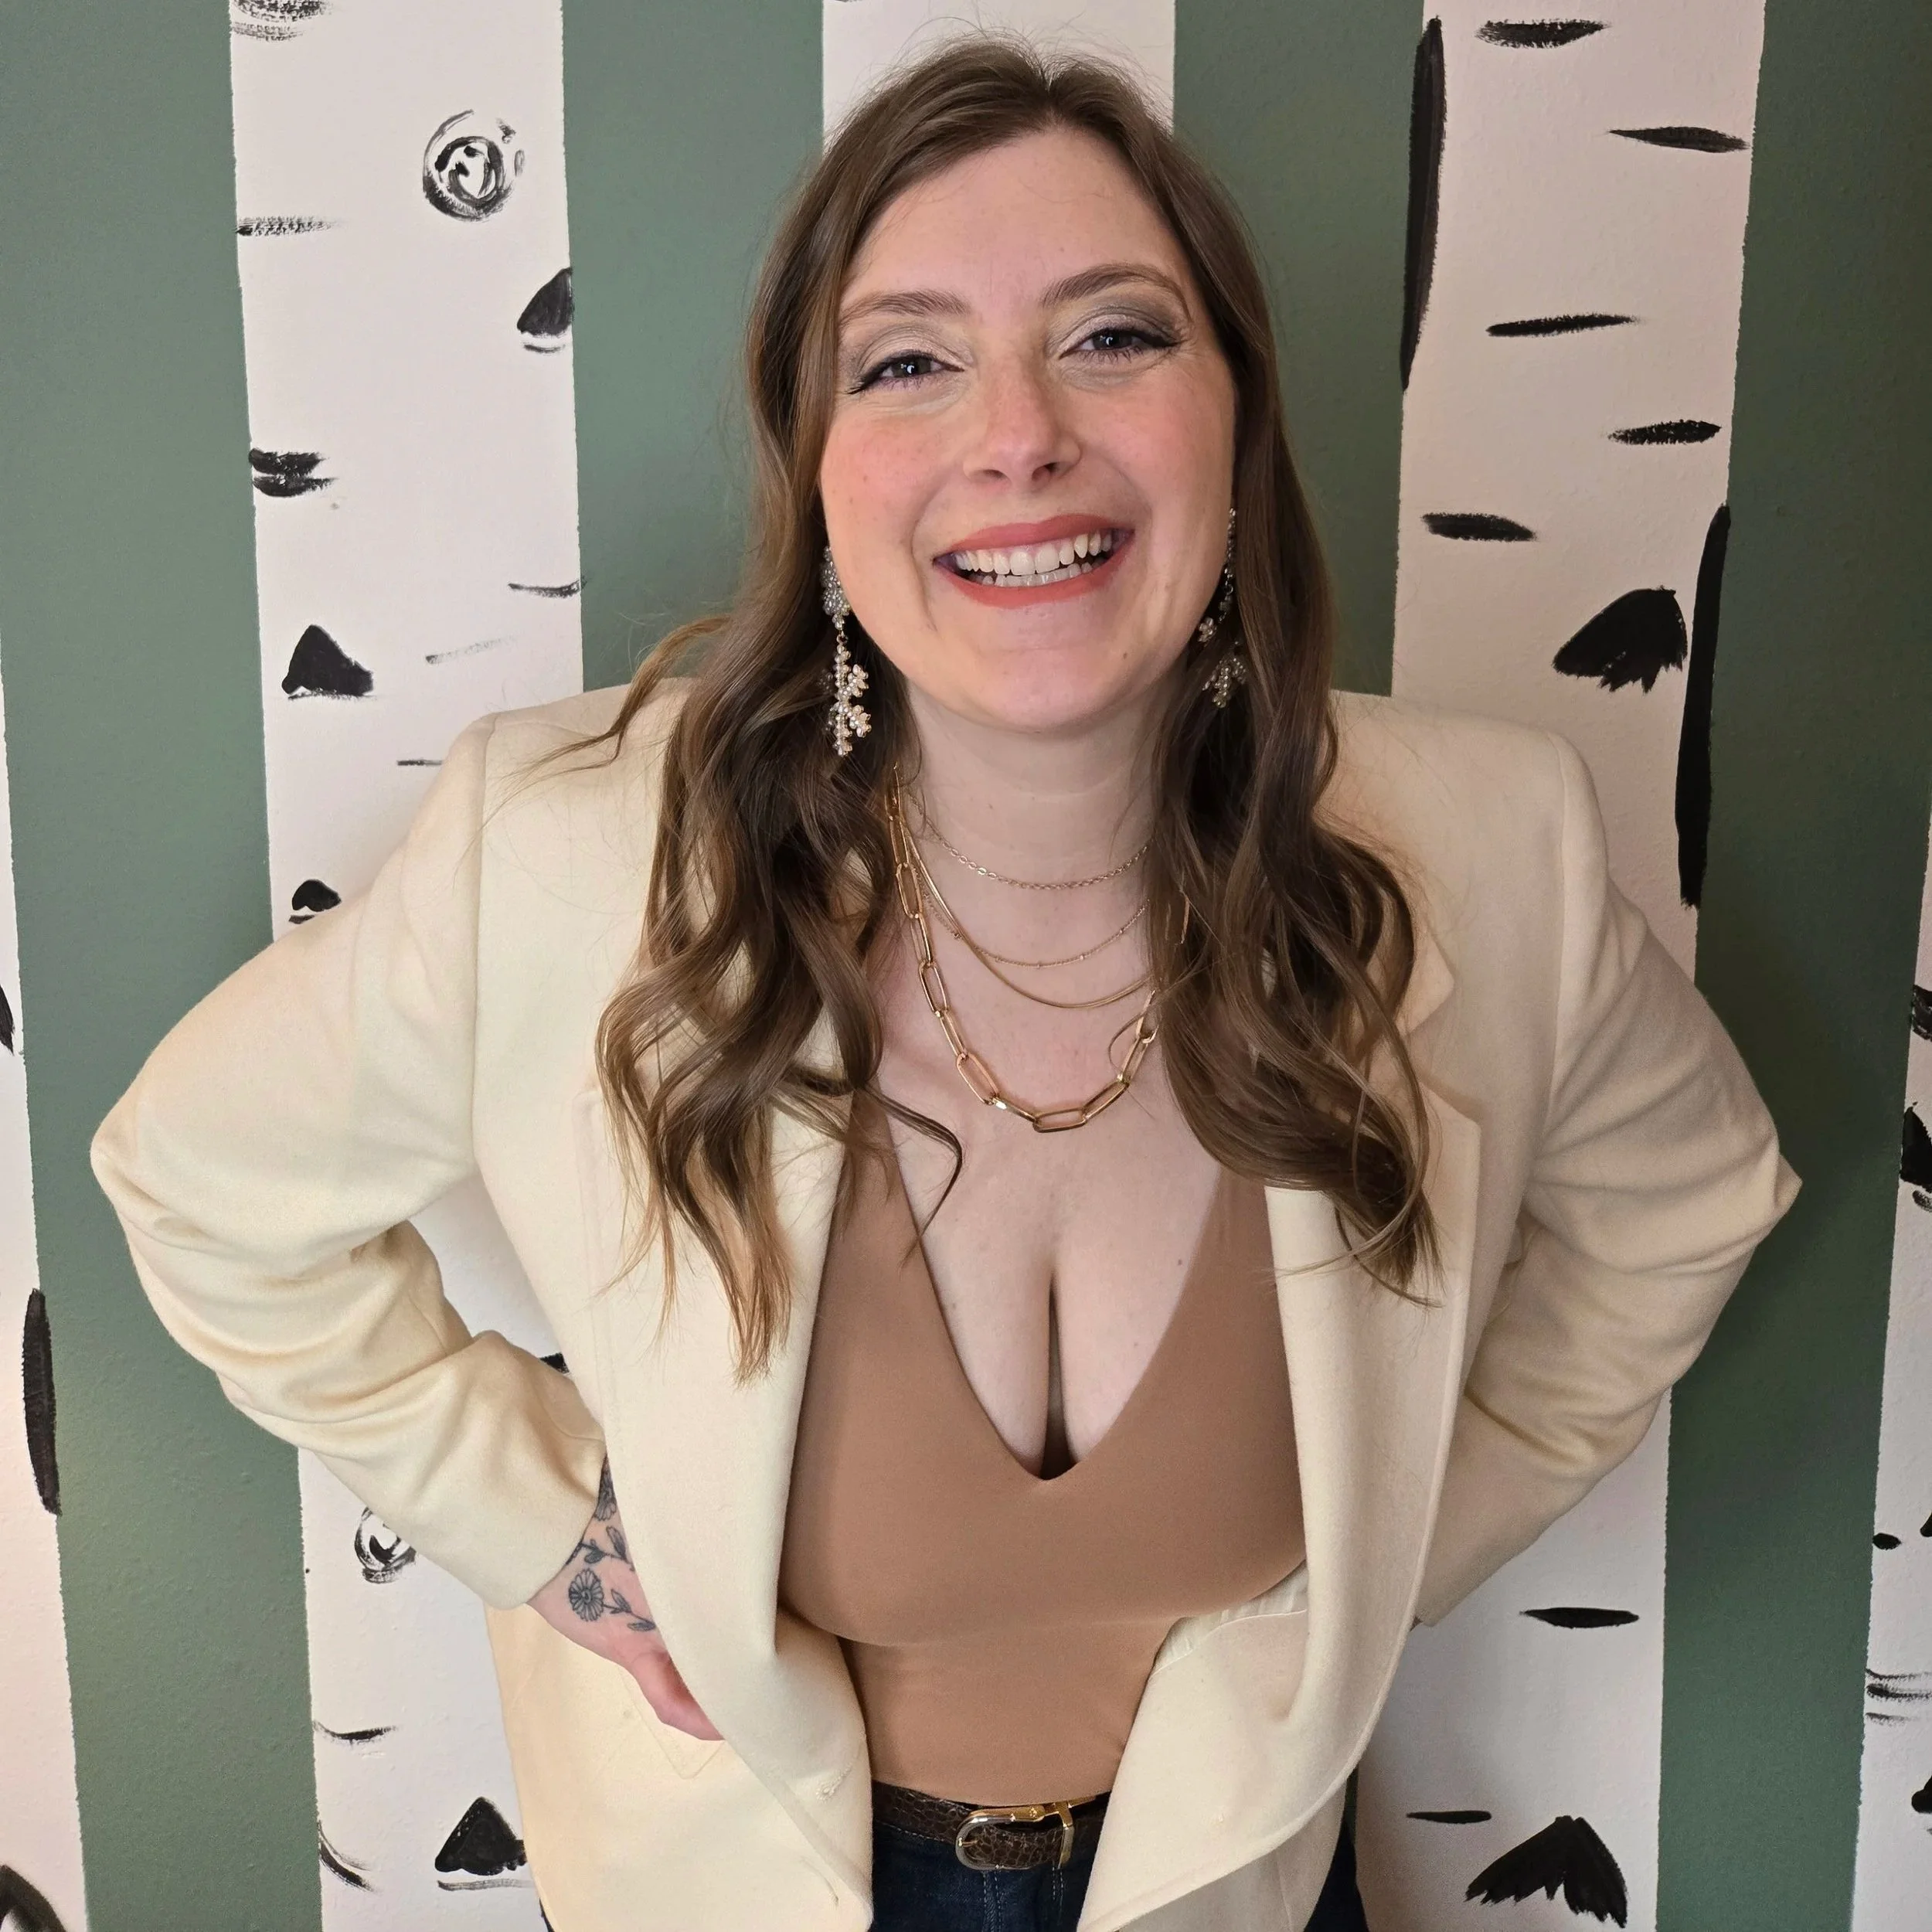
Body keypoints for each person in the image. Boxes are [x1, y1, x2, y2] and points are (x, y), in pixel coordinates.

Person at [91, 39, 1796, 1932]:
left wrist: (1397, 1544)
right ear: (818, 475)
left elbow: (1691, 1200)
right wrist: (545, 1537)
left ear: (1233, 419)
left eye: (1115, 336)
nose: (1018, 436)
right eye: (907, 359)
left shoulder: (1491, 850)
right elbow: (195, 1178)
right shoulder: (561, 856)